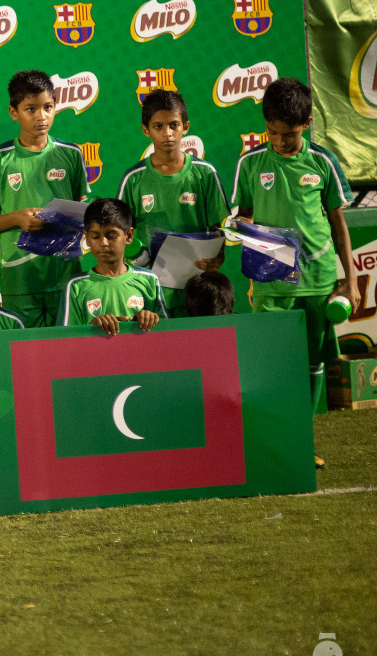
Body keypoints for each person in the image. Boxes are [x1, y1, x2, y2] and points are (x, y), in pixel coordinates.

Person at [231, 77, 355, 410]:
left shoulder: (323, 161)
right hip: (271, 279)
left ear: (307, 124)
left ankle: (306, 435)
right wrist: (239, 227)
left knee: (314, 361)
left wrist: (351, 281)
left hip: (318, 278)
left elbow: (338, 224)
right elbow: (243, 216)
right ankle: (276, 433)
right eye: (272, 132)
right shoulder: (251, 163)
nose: (281, 141)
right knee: (269, 359)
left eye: (291, 134)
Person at [0, 69, 91, 327]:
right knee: (30, 355)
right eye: (31, 109)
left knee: (69, 352)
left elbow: (81, 210)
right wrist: (18, 218)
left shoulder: (71, 154)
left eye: (48, 107)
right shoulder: (0, 158)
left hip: (65, 273)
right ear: (13, 112)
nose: (41, 116)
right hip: (20, 276)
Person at [115, 90, 230, 316]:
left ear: (185, 126)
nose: (167, 133)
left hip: (197, 284)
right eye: (158, 126)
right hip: (150, 286)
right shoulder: (133, 179)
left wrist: (218, 257)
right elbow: (121, 232)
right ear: (145, 130)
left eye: (173, 125)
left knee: (198, 346)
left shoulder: (205, 173)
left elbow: (217, 227)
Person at [59, 199, 166, 334]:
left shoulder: (149, 280)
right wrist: (91, 328)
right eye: (95, 236)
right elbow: (66, 340)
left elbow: (166, 335)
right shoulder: (75, 287)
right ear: (86, 237)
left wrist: (151, 319)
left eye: (111, 236)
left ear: (128, 235)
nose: (103, 243)